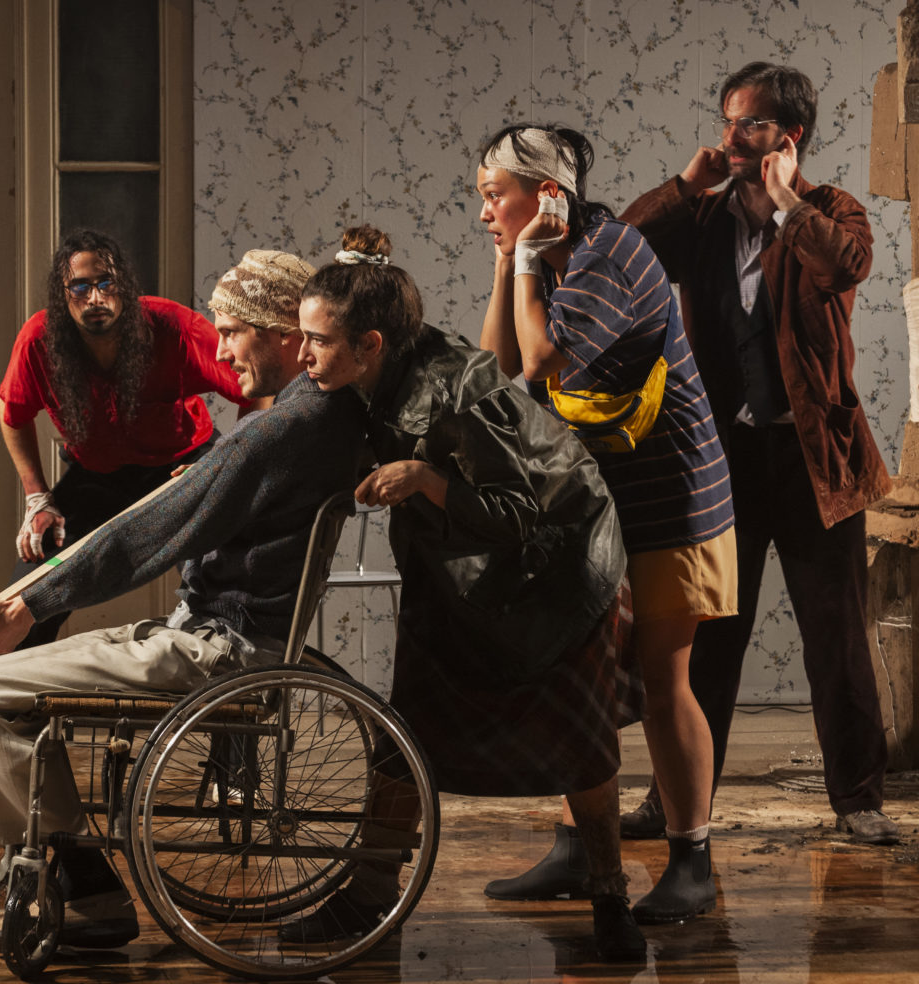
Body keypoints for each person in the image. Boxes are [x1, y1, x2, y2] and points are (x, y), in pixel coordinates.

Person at [0, 249, 368, 949]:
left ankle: (83, 890)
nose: (222, 347)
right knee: (2, 682)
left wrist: (31, 604)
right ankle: (74, 873)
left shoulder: (279, 429)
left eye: (234, 330)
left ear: (285, 336)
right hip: (217, 635)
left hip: (217, 651)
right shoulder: (317, 413)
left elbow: (152, 534)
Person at [280, 226, 645, 962]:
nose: (303, 355)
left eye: (316, 341)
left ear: (371, 342)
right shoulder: (370, 376)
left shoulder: (455, 396)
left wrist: (424, 481)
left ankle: (610, 899)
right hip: (458, 577)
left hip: (555, 576)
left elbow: (521, 513)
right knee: (402, 738)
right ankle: (368, 894)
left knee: (581, 745)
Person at [620, 63, 897, 845]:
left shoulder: (829, 211)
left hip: (815, 462)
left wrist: (783, 202)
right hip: (723, 459)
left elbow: (844, 265)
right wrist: (685, 183)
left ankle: (858, 800)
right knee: (705, 638)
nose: (730, 137)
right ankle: (678, 800)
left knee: (835, 637)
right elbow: (626, 253)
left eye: (748, 124)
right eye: (726, 120)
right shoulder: (702, 221)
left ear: (789, 135)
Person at [475, 125, 738, 924]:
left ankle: (692, 859)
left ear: (547, 196)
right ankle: (577, 845)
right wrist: (507, 262)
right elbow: (495, 373)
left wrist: (522, 266)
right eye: (480, 196)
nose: (484, 210)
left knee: (663, 680)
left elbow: (538, 367)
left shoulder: (606, 257)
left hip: (673, 502)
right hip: (609, 503)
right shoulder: (553, 257)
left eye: (496, 196)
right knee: (580, 674)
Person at [0, 228, 248, 800]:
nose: (95, 297)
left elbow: (254, 391)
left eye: (106, 283)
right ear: (63, 295)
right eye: (79, 287)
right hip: (96, 475)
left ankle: (234, 776)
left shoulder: (172, 327)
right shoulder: (41, 339)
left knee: (225, 595)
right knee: (31, 594)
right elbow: (13, 413)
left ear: (124, 287)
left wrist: (220, 468)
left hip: (184, 467)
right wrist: (38, 497)